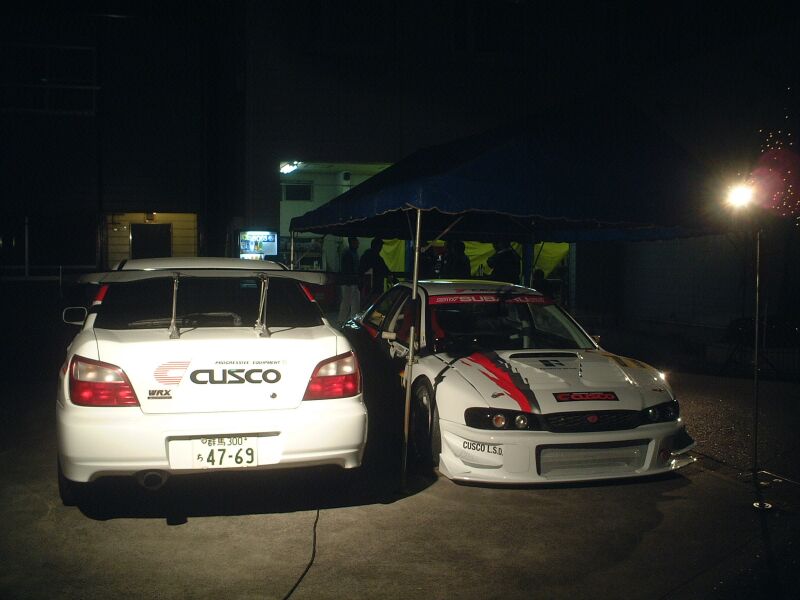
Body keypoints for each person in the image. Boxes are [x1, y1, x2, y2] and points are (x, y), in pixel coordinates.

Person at [359, 238, 394, 307]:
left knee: (366, 305)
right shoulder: (377, 258)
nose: (381, 248)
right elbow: (384, 270)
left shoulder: (365, 256)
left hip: (366, 287)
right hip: (375, 287)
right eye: (380, 246)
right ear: (377, 246)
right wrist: (392, 278)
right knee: (375, 305)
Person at [337, 237, 360, 323]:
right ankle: (346, 320)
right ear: (352, 242)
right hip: (349, 282)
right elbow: (349, 268)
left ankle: (345, 319)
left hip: (350, 281)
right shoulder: (349, 253)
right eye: (356, 242)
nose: (358, 243)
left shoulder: (350, 252)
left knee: (349, 301)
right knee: (350, 301)